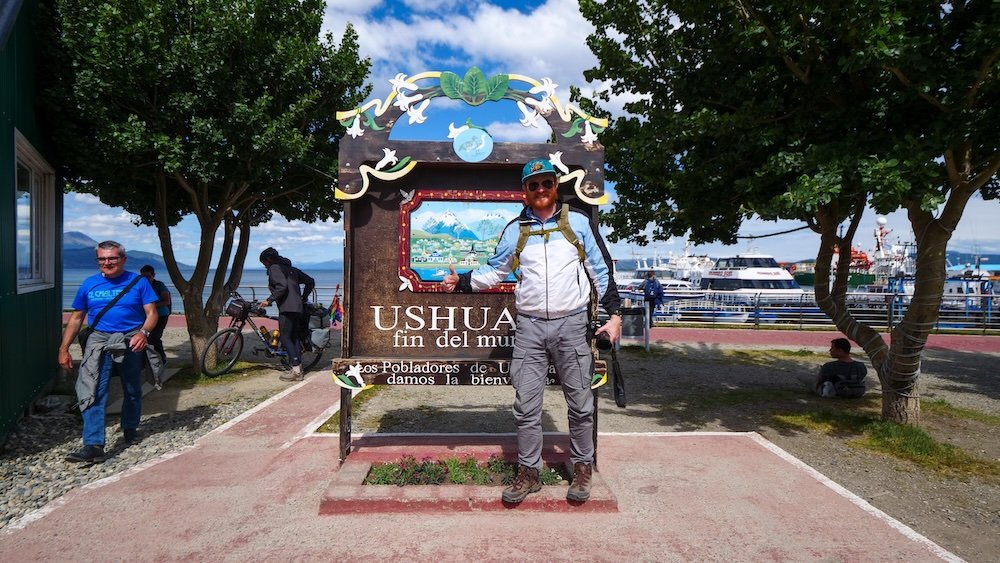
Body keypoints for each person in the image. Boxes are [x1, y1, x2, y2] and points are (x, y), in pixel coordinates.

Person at [442, 157, 622, 504]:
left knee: (581, 404)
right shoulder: (515, 230)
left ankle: (582, 466)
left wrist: (615, 316)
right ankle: (529, 471)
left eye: (546, 183)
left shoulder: (579, 224)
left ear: (556, 186)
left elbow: (601, 271)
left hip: (571, 324)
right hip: (529, 327)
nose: (541, 190)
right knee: (525, 406)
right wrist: (461, 282)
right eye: (533, 185)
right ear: (524, 191)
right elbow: (495, 272)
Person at [58, 241, 159, 464]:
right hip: (99, 340)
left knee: (132, 387)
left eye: (112, 258)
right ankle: (93, 445)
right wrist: (64, 348)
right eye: (102, 259)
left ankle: (130, 427)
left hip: (130, 339)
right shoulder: (89, 284)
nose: (107, 262)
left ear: (123, 259)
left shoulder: (139, 282)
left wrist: (143, 333)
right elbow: (76, 318)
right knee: (93, 388)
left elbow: (152, 313)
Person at [259, 247, 315, 381]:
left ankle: (296, 371)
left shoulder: (274, 268)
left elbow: (281, 286)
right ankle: (298, 368)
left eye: (264, 263)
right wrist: (303, 297)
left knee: (285, 337)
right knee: (294, 337)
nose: (265, 266)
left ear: (268, 260)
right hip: (298, 307)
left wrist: (269, 300)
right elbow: (310, 281)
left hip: (287, 308)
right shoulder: (292, 270)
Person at [139, 265, 172, 365]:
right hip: (145, 316)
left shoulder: (159, 285)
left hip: (161, 315)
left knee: (154, 337)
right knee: (144, 337)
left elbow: (166, 301)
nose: (146, 279)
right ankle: (146, 359)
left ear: (153, 275)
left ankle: (162, 358)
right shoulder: (140, 286)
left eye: (148, 277)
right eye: (143, 277)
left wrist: (152, 305)